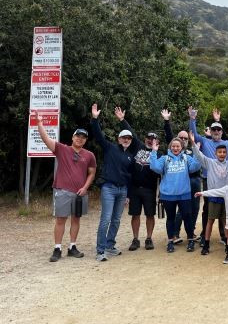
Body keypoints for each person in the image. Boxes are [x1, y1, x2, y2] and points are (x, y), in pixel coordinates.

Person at [34, 112, 96, 262]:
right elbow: (46, 139)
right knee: (60, 220)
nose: (80, 139)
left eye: (83, 137)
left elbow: (92, 173)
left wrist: (85, 187)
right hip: (62, 190)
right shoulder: (62, 149)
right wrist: (39, 123)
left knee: (76, 219)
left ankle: (72, 247)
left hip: (80, 193)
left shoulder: (89, 155)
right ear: (73, 137)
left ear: (85, 140)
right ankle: (57, 248)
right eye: (77, 136)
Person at [90, 103, 134, 262]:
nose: (126, 140)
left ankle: (110, 245)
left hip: (122, 191)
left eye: (128, 138)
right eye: (124, 137)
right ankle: (100, 250)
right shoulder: (110, 148)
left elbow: (129, 176)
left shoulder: (130, 155)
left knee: (116, 220)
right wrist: (95, 119)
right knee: (106, 219)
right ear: (118, 138)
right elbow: (98, 135)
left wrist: (128, 194)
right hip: (109, 188)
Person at [188, 132, 228, 255]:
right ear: (215, 153)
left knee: (226, 223)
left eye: (224, 152)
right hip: (214, 197)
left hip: (227, 198)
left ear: (227, 153)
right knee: (210, 220)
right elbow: (199, 154)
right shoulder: (210, 162)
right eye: (220, 152)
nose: (222, 154)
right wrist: (192, 142)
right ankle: (206, 244)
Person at [114, 107, 160, 251]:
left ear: (156, 141)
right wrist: (122, 120)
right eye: (148, 138)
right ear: (145, 138)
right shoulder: (138, 146)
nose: (150, 140)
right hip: (134, 188)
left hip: (150, 189)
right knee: (135, 214)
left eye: (153, 139)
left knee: (150, 215)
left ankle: (148, 238)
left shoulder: (158, 153)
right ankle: (135, 239)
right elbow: (131, 133)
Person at [150, 137, 202, 252]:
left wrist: (197, 153)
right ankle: (170, 241)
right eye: (173, 146)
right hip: (168, 195)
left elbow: (196, 167)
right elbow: (155, 167)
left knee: (187, 217)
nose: (175, 148)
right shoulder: (165, 159)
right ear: (170, 147)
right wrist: (154, 151)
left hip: (184, 194)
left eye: (178, 146)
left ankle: (190, 240)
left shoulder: (186, 158)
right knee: (171, 218)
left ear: (182, 147)